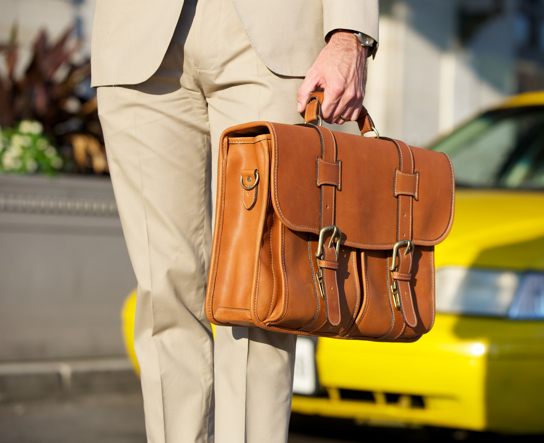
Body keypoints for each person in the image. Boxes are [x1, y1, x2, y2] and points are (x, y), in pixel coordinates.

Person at [91, 1, 378, 442]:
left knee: (261, 293)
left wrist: (349, 34)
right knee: (165, 291)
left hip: (272, 33)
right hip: (137, 35)